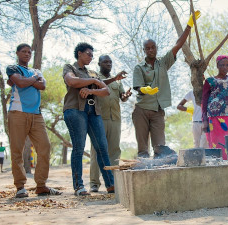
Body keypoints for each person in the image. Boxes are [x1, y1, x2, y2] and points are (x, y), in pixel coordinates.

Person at [132, 11, 201, 158]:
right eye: (147, 48)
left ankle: (158, 173)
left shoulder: (163, 63)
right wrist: (144, 89)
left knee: (160, 149)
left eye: (153, 47)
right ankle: (143, 173)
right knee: (143, 150)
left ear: (156, 48)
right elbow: (137, 87)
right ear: (144, 50)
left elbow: (178, 44)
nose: (151, 50)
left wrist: (189, 26)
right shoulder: (139, 67)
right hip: (142, 109)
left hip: (157, 111)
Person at [6, 43, 62, 198]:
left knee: (45, 146)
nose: (27, 54)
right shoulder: (13, 68)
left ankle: (41, 185)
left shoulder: (36, 71)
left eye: (29, 52)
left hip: (36, 115)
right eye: (23, 52)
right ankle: (20, 187)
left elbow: (42, 85)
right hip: (17, 112)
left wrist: (28, 79)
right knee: (17, 150)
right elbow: (21, 83)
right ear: (17, 53)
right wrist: (31, 80)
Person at [63, 43, 115, 196]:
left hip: (94, 111)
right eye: (88, 54)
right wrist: (95, 82)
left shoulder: (92, 72)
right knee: (79, 148)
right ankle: (79, 186)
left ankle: (111, 185)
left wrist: (92, 89)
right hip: (75, 110)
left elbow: (106, 91)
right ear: (79, 53)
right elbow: (72, 82)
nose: (91, 57)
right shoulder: (70, 68)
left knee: (102, 147)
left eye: (92, 55)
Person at [90, 55, 132, 192]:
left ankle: (113, 182)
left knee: (114, 150)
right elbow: (99, 86)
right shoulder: (94, 77)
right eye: (105, 62)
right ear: (99, 63)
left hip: (115, 118)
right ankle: (94, 183)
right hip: (99, 118)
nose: (108, 64)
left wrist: (125, 96)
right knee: (97, 150)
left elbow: (122, 97)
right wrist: (115, 79)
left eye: (110, 62)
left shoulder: (117, 81)